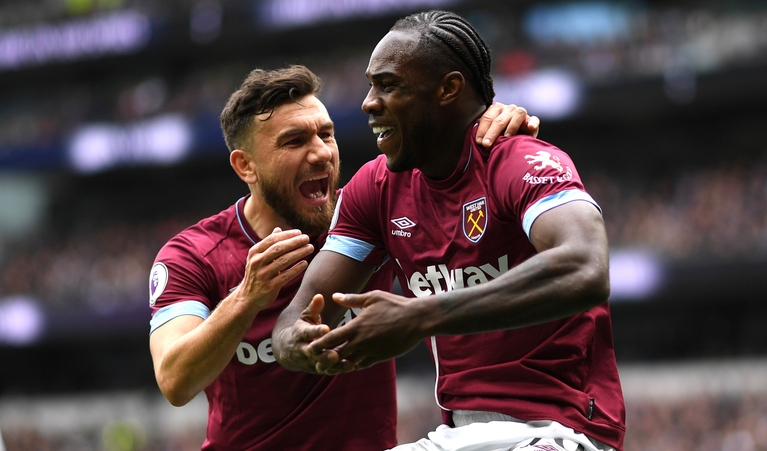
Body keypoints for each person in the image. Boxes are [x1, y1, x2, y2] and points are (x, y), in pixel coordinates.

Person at [272, 10, 626, 451]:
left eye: (388, 85)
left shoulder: (518, 159)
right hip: (458, 436)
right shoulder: (376, 187)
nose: (368, 101)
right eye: (370, 84)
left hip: (561, 429)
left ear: (448, 89)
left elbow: (586, 268)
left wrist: (419, 315)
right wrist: (298, 343)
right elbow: (297, 316)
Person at [147, 64, 539, 450]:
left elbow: (452, 171)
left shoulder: (369, 214)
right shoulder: (194, 255)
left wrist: (484, 125)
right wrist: (247, 297)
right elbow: (175, 381)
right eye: (294, 141)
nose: (321, 154)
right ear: (245, 165)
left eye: (326, 134)